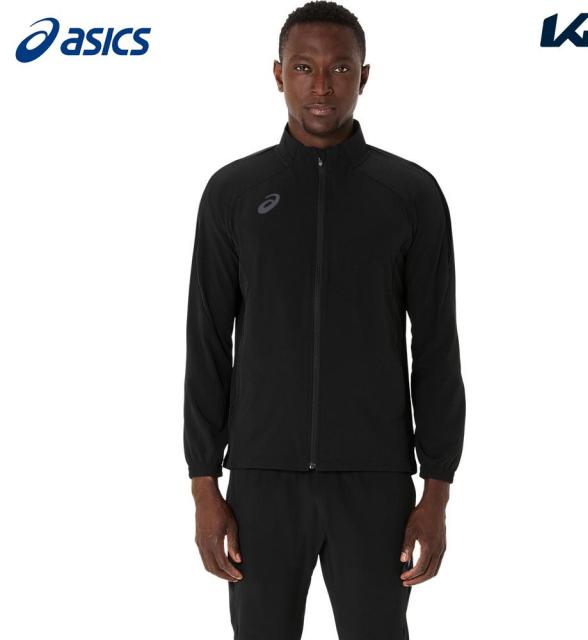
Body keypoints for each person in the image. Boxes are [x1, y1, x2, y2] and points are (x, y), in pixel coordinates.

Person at [183, 2, 466, 638]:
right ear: (277, 74)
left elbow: (436, 348)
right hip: (261, 481)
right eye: (304, 67)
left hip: (375, 482)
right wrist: (205, 485)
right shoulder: (233, 192)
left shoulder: (410, 194)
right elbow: (208, 342)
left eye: (339, 68)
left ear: (363, 76)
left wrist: (437, 491)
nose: (321, 85)